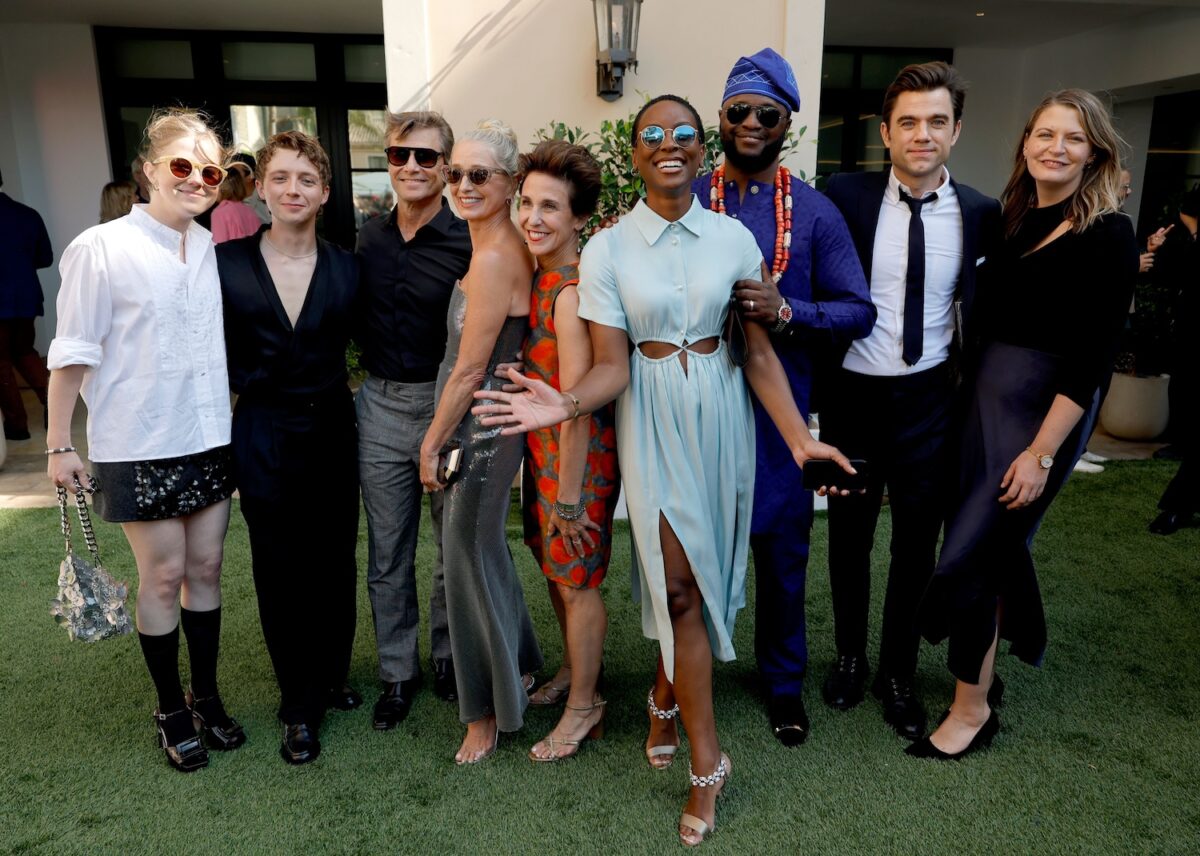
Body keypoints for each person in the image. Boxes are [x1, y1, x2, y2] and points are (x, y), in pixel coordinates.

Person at [472, 95, 853, 846]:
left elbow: (760, 354)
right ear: (635, 152)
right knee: (678, 586)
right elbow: (611, 366)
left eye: (684, 135)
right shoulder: (610, 249)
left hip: (722, 420)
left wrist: (800, 441)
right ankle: (709, 765)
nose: (668, 145)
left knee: (706, 585)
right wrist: (566, 403)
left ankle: (664, 691)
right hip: (652, 418)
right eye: (652, 136)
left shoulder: (735, 238)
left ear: (702, 149)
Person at [911, 89, 1137, 759]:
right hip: (981, 404)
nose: (1055, 148)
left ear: (1093, 151)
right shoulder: (1009, 218)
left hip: (1044, 411)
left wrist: (1041, 453)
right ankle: (987, 669)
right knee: (990, 542)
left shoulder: (1109, 233)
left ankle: (970, 709)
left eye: (1072, 138)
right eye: (1044, 134)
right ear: (1026, 143)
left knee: (977, 550)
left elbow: (1094, 359)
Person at [46, 108, 244, 773]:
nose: (196, 180)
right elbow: (70, 352)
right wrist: (57, 444)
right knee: (161, 575)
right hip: (137, 442)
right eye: (182, 165)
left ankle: (207, 695)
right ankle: (171, 708)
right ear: (149, 170)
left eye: (209, 170)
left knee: (207, 570)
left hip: (210, 436)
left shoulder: (212, 249)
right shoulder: (100, 246)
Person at [693, 48, 875, 747]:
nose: (749, 123)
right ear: (720, 118)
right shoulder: (687, 201)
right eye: (736, 110)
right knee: (696, 549)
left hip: (781, 419)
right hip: (696, 409)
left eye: (764, 113)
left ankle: (782, 684)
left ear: (786, 123)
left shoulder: (816, 213)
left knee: (781, 555)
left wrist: (789, 310)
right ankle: (687, 677)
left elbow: (858, 310)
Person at [822, 61, 1003, 740]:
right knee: (848, 535)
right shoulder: (845, 194)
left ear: (955, 130)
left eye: (935, 122)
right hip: (854, 395)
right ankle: (847, 655)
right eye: (908, 123)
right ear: (885, 133)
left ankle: (896, 671)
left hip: (933, 399)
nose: (921, 135)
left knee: (914, 545)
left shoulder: (983, 214)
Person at [217, 131, 359, 764]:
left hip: (333, 426)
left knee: (333, 558)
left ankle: (331, 674)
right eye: (280, 178)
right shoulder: (224, 265)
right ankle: (298, 706)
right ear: (261, 188)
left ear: (324, 192)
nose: (292, 189)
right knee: (279, 567)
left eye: (306, 178)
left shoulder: (348, 267)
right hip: (263, 429)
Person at [417, 119, 543, 765]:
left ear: (509, 181)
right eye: (455, 172)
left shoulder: (495, 257)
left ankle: (484, 713)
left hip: (478, 424)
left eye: (479, 175)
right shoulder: (491, 244)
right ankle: (517, 670)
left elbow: (469, 370)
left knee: (464, 554)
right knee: (482, 549)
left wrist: (431, 443)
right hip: (481, 417)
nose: (462, 184)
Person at [355, 111, 471, 730]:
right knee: (388, 549)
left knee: (451, 545)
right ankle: (397, 672)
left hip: (448, 405)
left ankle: (450, 656)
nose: (411, 167)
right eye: (400, 155)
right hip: (378, 404)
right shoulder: (368, 238)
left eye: (426, 157)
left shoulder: (470, 241)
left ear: (446, 168)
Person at [516, 140, 621, 762]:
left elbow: (578, 403)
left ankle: (587, 704)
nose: (533, 217)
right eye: (527, 202)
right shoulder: (540, 277)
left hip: (575, 462)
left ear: (579, 218)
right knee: (555, 570)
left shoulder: (572, 293)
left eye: (550, 207)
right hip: (545, 456)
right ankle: (573, 675)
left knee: (577, 581)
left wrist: (572, 497)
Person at [1148, 187, 1198, 535]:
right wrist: (1155, 250)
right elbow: (1174, 276)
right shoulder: (1189, 242)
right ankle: (1176, 507)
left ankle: (1176, 506)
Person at [0, 168, 52, 442]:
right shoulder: (28, 214)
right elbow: (45, 258)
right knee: (24, 351)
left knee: (1, 363)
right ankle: (53, 410)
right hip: (27, 297)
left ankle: (17, 426)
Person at [210, 161, 263, 243]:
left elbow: (219, 248)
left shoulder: (219, 213)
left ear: (222, 186)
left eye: (216, 182)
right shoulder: (250, 211)